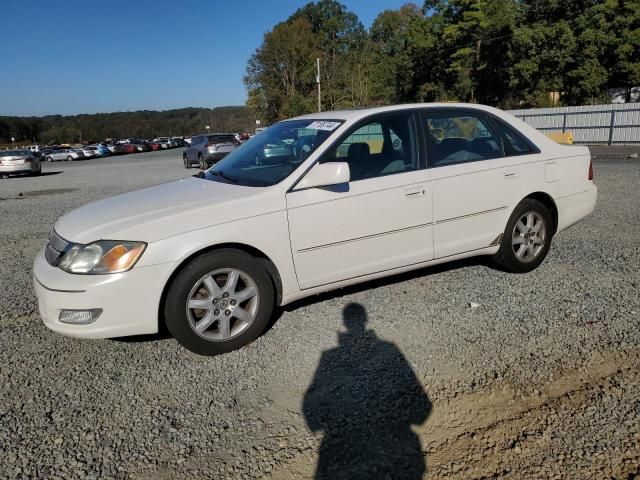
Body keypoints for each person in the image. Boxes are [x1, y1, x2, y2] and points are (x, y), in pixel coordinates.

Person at [303, 303, 431, 479]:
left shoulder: (329, 356)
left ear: (344, 323)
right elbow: (422, 409)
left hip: (342, 453)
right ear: (366, 320)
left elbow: (312, 411)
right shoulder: (388, 349)